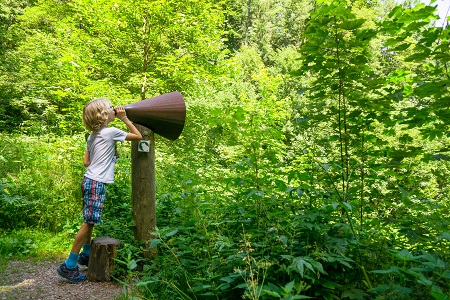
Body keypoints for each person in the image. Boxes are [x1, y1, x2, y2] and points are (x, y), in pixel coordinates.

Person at [57, 98, 142, 283]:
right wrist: (125, 119)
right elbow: (138, 136)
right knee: (88, 222)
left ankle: (86, 255)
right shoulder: (111, 131)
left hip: (88, 179)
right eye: (111, 109)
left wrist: (110, 154)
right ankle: (69, 265)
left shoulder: (92, 136)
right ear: (103, 116)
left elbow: (87, 162)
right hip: (96, 182)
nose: (114, 110)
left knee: (90, 219)